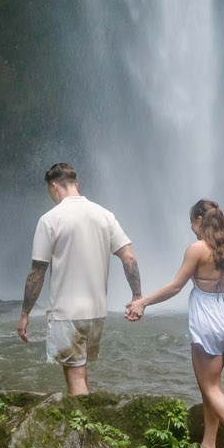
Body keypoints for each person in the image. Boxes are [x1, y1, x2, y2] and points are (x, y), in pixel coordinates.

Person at [125, 199, 224, 448]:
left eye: (193, 224)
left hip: (208, 317)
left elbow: (175, 287)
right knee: (213, 387)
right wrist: (220, 221)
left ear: (199, 220)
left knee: (209, 387)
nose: (192, 230)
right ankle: (209, 446)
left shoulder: (197, 249)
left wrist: (142, 302)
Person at [17, 162, 141, 395]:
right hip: (97, 312)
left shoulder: (50, 219)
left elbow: (37, 272)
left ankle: (84, 429)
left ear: (54, 186)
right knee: (81, 372)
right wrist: (137, 296)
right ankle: (91, 422)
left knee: (74, 377)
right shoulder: (105, 215)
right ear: (76, 184)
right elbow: (129, 257)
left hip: (67, 313)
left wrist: (24, 314)